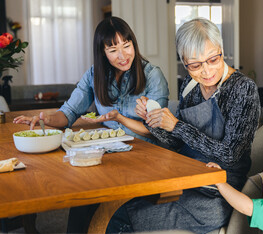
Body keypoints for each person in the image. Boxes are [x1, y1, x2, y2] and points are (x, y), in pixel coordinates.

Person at [106, 18, 261, 234]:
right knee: (119, 210)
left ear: (221, 50)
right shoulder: (190, 88)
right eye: (195, 65)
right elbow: (178, 143)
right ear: (184, 61)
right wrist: (154, 120)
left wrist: (177, 126)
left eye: (213, 59)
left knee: (126, 220)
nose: (206, 72)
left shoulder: (242, 89)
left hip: (218, 193)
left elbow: (231, 155)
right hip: (184, 178)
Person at [13, 17, 169, 143]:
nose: (123, 56)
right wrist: (46, 119)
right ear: (103, 53)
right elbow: (70, 112)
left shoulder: (153, 75)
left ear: (133, 44)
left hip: (147, 151)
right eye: (113, 50)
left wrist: (120, 118)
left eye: (127, 46)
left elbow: (156, 132)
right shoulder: (94, 74)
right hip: (111, 148)